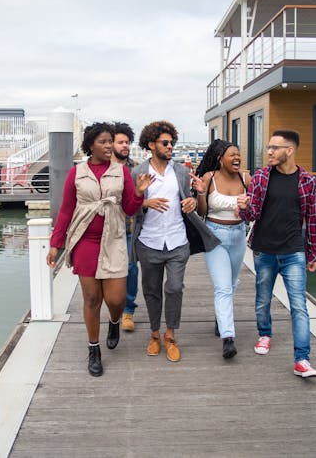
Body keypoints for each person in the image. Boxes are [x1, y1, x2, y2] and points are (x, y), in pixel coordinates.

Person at [47, 122, 153, 377]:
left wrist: (138, 193)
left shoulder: (121, 172)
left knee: (115, 300)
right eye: (104, 142)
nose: (108, 147)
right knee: (92, 299)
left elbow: (128, 208)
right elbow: (65, 210)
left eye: (110, 142)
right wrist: (55, 244)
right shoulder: (77, 173)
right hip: (85, 240)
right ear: (91, 144)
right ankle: (93, 349)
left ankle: (114, 322)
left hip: (115, 238)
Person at [130, 120, 220, 362]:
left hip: (178, 241)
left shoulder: (180, 171)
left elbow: (190, 203)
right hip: (149, 242)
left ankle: (170, 335)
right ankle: (154, 334)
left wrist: (193, 200)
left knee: (174, 287)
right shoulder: (138, 172)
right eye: (166, 143)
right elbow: (128, 208)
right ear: (151, 144)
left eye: (172, 143)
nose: (170, 147)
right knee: (151, 291)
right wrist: (144, 201)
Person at [237, 129, 316, 378]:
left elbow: (313, 220)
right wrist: (243, 208)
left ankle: (302, 360)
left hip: (294, 251)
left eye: (275, 148)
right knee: (263, 300)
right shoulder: (262, 177)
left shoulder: (308, 182)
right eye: (268, 147)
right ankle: (265, 334)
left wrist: (313, 254)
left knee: (299, 306)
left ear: (290, 150)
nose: (269, 152)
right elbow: (250, 216)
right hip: (264, 250)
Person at [193, 139, 249, 359]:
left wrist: (245, 210)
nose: (237, 158)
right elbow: (201, 212)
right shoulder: (209, 178)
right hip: (214, 235)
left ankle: (221, 317)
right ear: (220, 159)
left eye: (238, 154)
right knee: (223, 287)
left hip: (238, 236)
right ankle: (228, 337)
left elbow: (254, 208)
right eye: (232, 155)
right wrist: (200, 193)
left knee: (232, 284)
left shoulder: (246, 178)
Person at [111, 122, 140, 333]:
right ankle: (113, 308)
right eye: (121, 142)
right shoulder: (101, 168)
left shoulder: (135, 168)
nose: (125, 146)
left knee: (130, 269)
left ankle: (128, 310)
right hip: (105, 231)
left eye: (127, 142)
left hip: (129, 228)